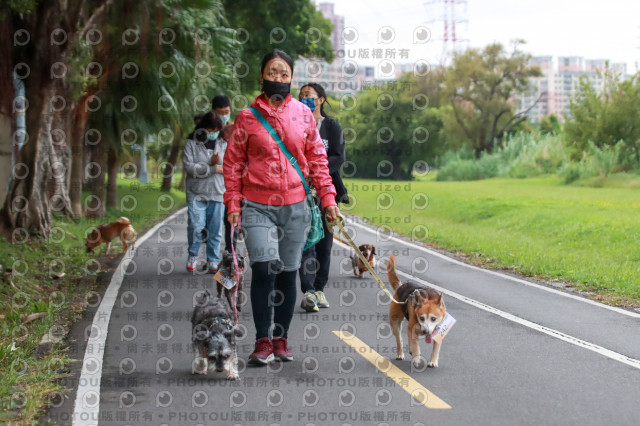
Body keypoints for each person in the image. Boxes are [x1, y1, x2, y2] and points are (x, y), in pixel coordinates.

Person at [223, 49, 339, 365]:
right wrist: (233, 202)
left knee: (288, 272)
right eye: (272, 72)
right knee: (264, 267)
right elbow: (233, 162)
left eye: (284, 73)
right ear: (262, 76)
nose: (278, 78)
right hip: (257, 206)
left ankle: (280, 338)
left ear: (291, 78)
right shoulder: (247, 118)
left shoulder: (303, 114)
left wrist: (328, 199)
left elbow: (317, 159)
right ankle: (262, 341)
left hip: (296, 205)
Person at [297, 83, 348, 312]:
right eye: (301, 96)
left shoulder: (331, 126)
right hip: (301, 194)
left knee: (324, 243)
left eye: (309, 95)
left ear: (321, 100)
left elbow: (338, 157)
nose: (305, 98)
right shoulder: (294, 125)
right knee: (305, 242)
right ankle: (307, 291)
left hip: (326, 193)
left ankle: (319, 288)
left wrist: (319, 172)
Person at [183, 111, 226, 273]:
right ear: (203, 128)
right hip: (196, 193)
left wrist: (219, 167)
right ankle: (193, 255)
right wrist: (212, 167)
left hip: (217, 192)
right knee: (196, 226)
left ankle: (213, 260)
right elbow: (189, 168)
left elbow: (229, 166)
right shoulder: (192, 142)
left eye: (216, 130)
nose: (213, 133)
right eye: (210, 130)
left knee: (215, 229)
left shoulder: (223, 142)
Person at [211, 94, 239, 253]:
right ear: (213, 112)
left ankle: (230, 254)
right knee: (212, 225)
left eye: (226, 112)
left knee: (231, 222)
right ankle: (211, 258)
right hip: (212, 187)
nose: (224, 115)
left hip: (231, 186)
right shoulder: (208, 131)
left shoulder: (235, 128)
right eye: (220, 112)